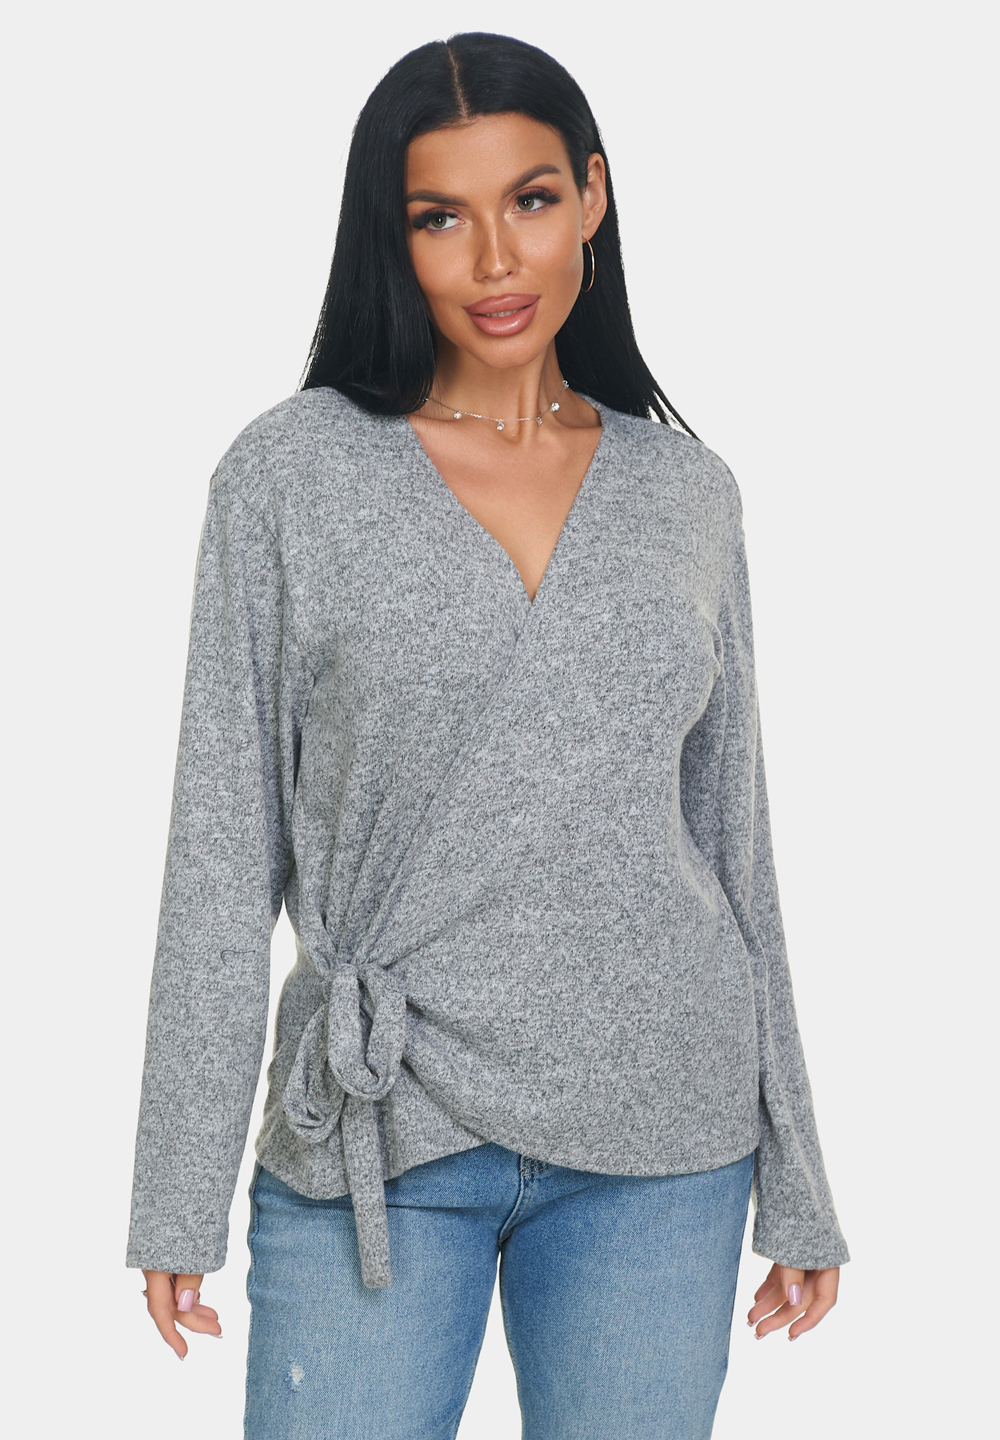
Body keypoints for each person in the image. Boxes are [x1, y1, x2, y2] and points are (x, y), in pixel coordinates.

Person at [126, 30, 850, 1440]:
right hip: (379, 1126)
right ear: (391, 239)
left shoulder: (688, 495)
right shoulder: (288, 476)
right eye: (440, 217)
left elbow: (736, 844)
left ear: (593, 196)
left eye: (530, 199)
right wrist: (176, 1188)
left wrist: (802, 1176)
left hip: (663, 1133)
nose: (496, 260)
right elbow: (219, 852)